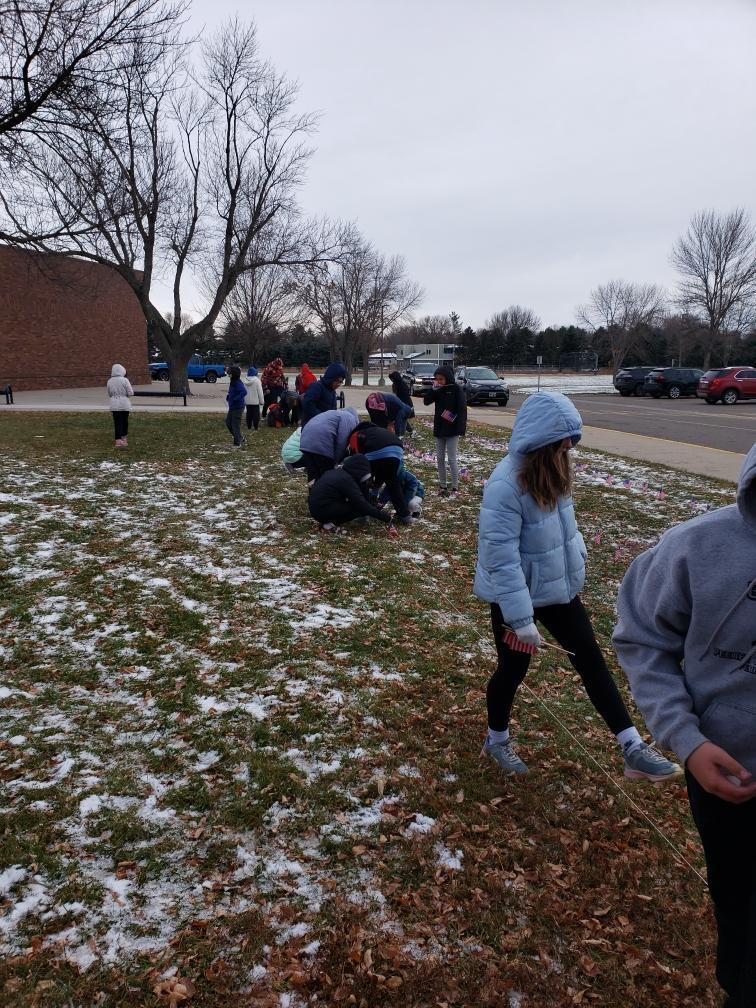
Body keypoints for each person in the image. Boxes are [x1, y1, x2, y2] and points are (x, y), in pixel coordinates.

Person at [474, 391, 682, 782]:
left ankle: (632, 746)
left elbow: (564, 532)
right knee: (512, 671)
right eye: (562, 441)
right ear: (540, 441)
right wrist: (520, 619)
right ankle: (496, 739)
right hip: (515, 597)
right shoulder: (504, 485)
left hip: (559, 592)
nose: (569, 448)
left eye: (572, 439)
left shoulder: (555, 472)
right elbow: (500, 559)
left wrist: (577, 560)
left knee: (590, 659)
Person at [613, 444, 756, 1008]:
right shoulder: (696, 547)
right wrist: (688, 742)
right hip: (725, 774)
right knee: (735, 898)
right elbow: (642, 635)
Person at [349, 421, 413, 525]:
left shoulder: (356, 435)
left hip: (375, 453)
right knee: (393, 484)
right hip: (397, 451)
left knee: (363, 480)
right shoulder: (379, 431)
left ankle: (364, 515)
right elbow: (381, 468)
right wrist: (376, 487)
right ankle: (405, 516)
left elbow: (357, 459)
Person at [308, 455, 392, 532]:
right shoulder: (346, 480)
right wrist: (386, 517)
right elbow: (362, 505)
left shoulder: (338, 473)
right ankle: (329, 525)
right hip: (322, 509)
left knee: (357, 505)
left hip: (317, 507)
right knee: (359, 508)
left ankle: (329, 521)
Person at [423, 365, 467, 496]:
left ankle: (455, 486)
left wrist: (460, 428)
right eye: (437, 379)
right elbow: (426, 401)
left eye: (441, 379)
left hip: (452, 430)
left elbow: (462, 409)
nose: (439, 381)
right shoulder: (438, 390)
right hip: (440, 429)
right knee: (440, 458)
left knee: (452, 459)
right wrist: (433, 390)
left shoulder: (456, 390)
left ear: (447, 378)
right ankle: (443, 485)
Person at [299, 406, 359, 482]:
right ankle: (327, 492)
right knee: (327, 476)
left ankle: (313, 492)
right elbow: (342, 442)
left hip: (305, 442)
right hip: (321, 445)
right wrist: (336, 461)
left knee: (313, 474)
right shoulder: (349, 418)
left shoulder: (333, 414)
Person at [107, 363, 134, 448]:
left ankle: (118, 440)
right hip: (124, 404)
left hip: (114, 404)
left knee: (117, 422)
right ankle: (124, 438)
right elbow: (130, 392)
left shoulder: (109, 381)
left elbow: (109, 393)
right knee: (124, 421)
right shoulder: (125, 380)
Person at [388, 370, 415, 435]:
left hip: (405, 404)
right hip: (400, 404)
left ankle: (401, 434)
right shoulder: (395, 385)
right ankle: (409, 431)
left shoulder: (402, 385)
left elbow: (403, 396)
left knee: (403, 418)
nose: (392, 380)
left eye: (392, 379)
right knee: (403, 418)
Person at [225, 365, 246, 447]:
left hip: (238, 407)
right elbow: (233, 391)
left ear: (234, 374)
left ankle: (237, 443)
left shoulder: (237, 382)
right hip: (232, 407)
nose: (228, 375)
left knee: (235, 425)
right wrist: (229, 396)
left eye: (230, 373)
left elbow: (243, 392)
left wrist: (235, 399)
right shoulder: (233, 381)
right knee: (228, 423)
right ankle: (240, 438)